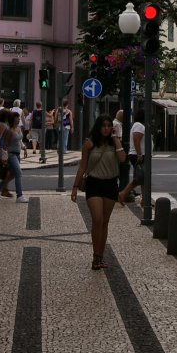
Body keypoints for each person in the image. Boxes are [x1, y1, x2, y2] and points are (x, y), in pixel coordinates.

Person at [71, 114, 126, 270]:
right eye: (104, 126)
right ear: (98, 127)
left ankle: (100, 256)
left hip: (110, 184)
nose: (107, 128)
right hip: (94, 183)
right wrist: (75, 187)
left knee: (105, 222)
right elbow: (82, 166)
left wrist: (116, 139)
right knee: (97, 219)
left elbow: (122, 159)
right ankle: (95, 256)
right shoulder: (89, 143)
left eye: (109, 126)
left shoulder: (114, 143)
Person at [0, 110, 29, 202]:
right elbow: (5, 144)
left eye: (19, 118)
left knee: (12, 175)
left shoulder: (18, 129)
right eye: (17, 118)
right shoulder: (9, 131)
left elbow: (19, 140)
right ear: (12, 119)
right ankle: (19, 196)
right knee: (18, 173)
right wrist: (3, 155)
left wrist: (24, 148)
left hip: (17, 154)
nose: (19, 119)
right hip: (11, 155)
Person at [118, 108, 145, 205]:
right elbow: (136, 140)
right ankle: (123, 194)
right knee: (140, 177)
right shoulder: (139, 126)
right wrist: (139, 154)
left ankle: (144, 199)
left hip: (139, 154)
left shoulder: (138, 125)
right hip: (139, 155)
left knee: (142, 177)